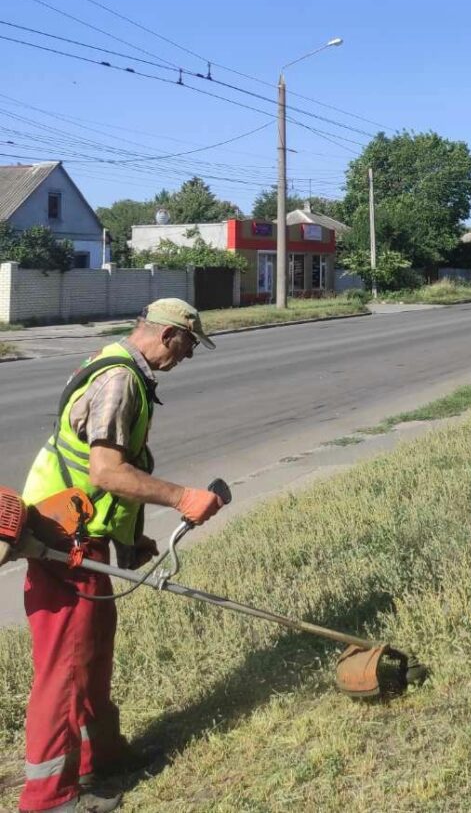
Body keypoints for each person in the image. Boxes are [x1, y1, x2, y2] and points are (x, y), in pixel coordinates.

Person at [18, 298, 225, 813]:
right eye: (189, 346)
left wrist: (131, 543)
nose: (189, 357)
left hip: (83, 537)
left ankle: (103, 759)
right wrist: (183, 498)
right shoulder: (121, 380)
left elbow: (117, 473)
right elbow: (107, 473)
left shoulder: (121, 365)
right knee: (65, 669)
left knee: (91, 658)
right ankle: (48, 799)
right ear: (170, 335)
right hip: (62, 543)